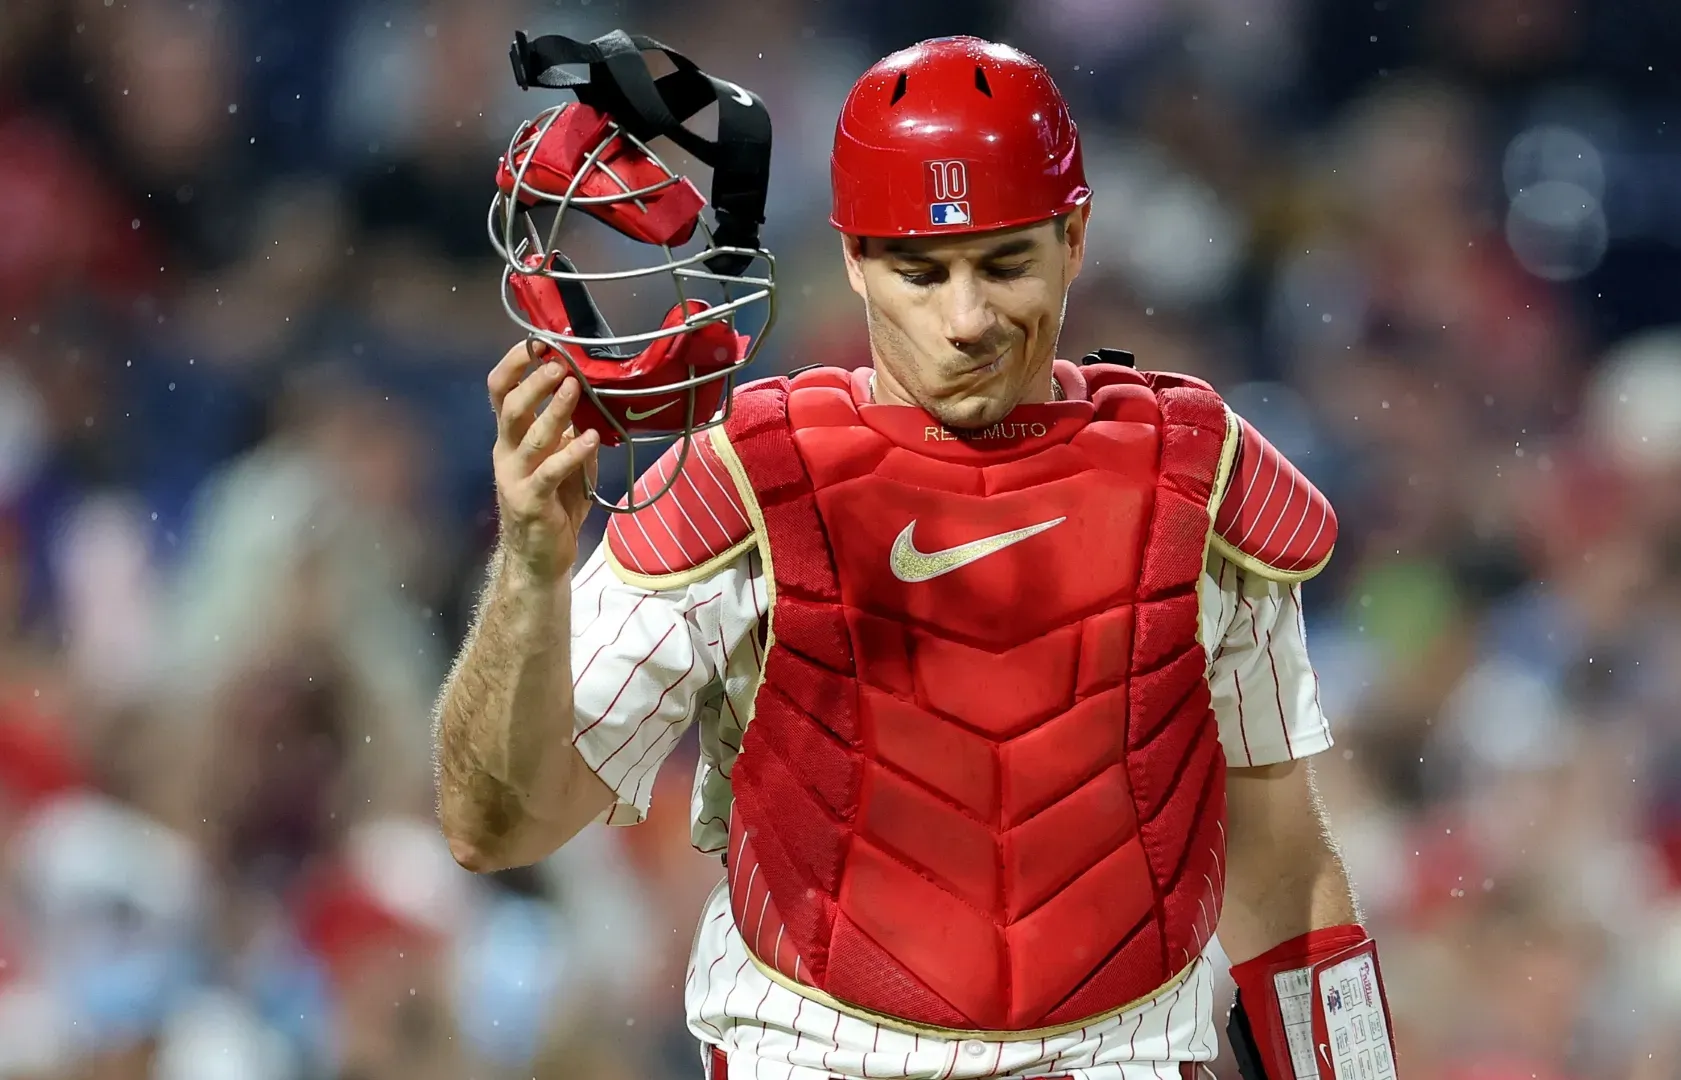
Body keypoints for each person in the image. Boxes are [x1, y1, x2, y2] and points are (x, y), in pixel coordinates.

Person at [435, 33, 1398, 1080]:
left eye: (1004, 263)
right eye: (920, 269)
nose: (966, 318)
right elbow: (500, 825)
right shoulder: (748, 483)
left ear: (1075, 236)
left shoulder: (1196, 478)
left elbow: (1281, 871)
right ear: (853, 257)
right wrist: (531, 572)